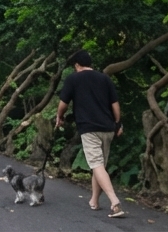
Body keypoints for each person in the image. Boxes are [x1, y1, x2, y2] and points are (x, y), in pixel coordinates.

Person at [56, 50, 127, 218]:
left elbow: (63, 103)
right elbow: (115, 105)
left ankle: (114, 201)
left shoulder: (73, 79)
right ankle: (94, 201)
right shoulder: (104, 78)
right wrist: (118, 124)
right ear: (90, 63)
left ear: (76, 65)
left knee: (96, 164)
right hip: (108, 128)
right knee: (99, 165)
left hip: (89, 128)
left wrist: (59, 117)